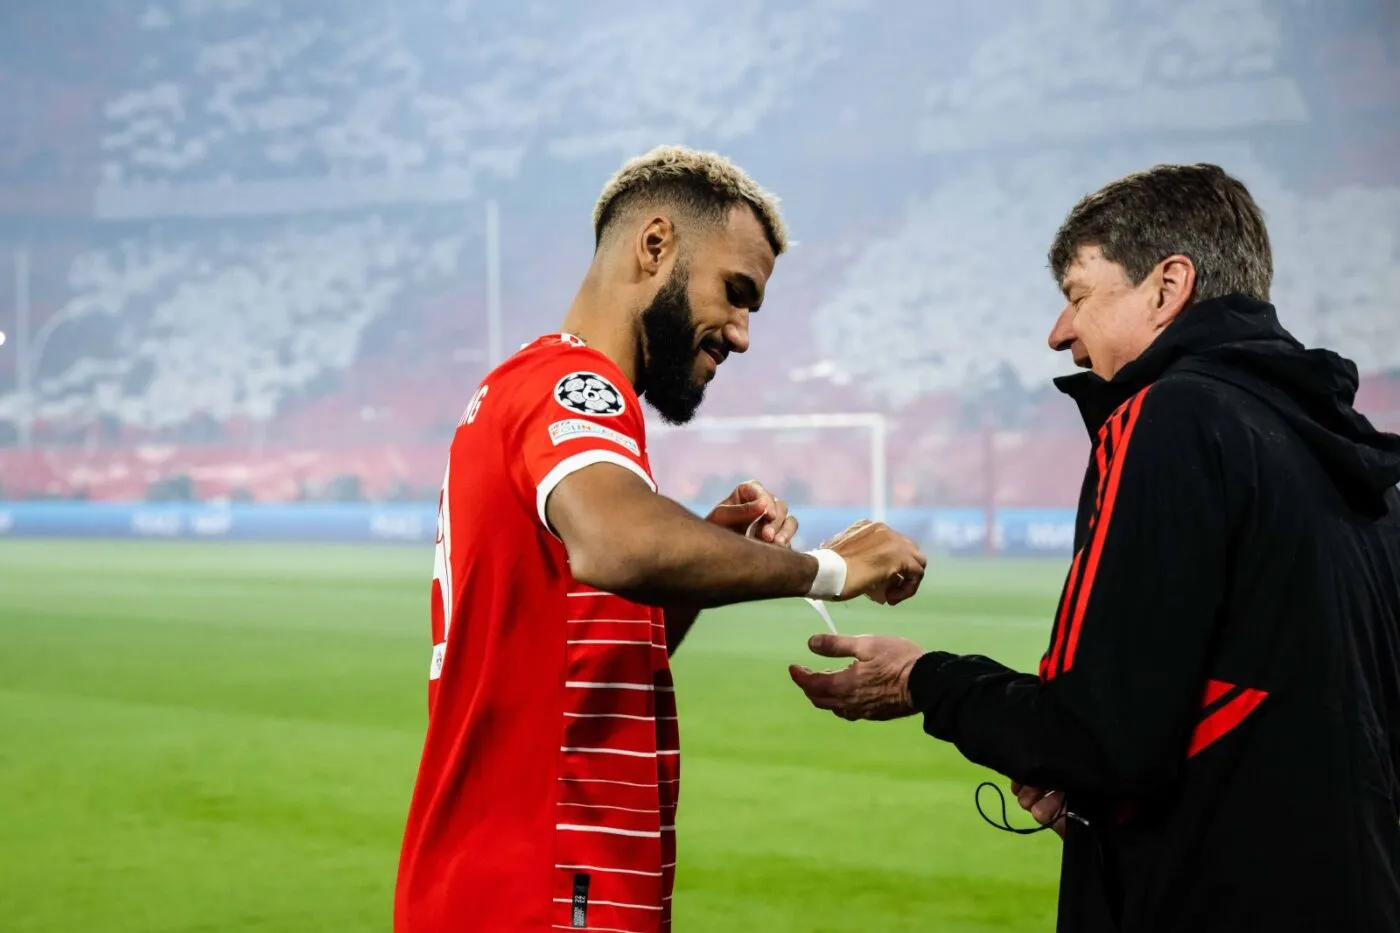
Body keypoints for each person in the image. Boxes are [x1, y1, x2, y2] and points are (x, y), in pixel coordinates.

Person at [789, 163, 1400, 932]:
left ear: (1167, 285)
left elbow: (1097, 736)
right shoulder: (1354, 459)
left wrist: (923, 679)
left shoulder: (1167, 419)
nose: (1059, 332)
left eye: (1078, 294)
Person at [394, 145, 927, 933]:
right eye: (734, 293)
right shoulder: (577, 387)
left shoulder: (526, 388)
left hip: (502, 878)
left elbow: (575, 653)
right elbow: (619, 546)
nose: (742, 334)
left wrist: (704, 550)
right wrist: (830, 568)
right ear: (655, 246)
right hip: (542, 883)